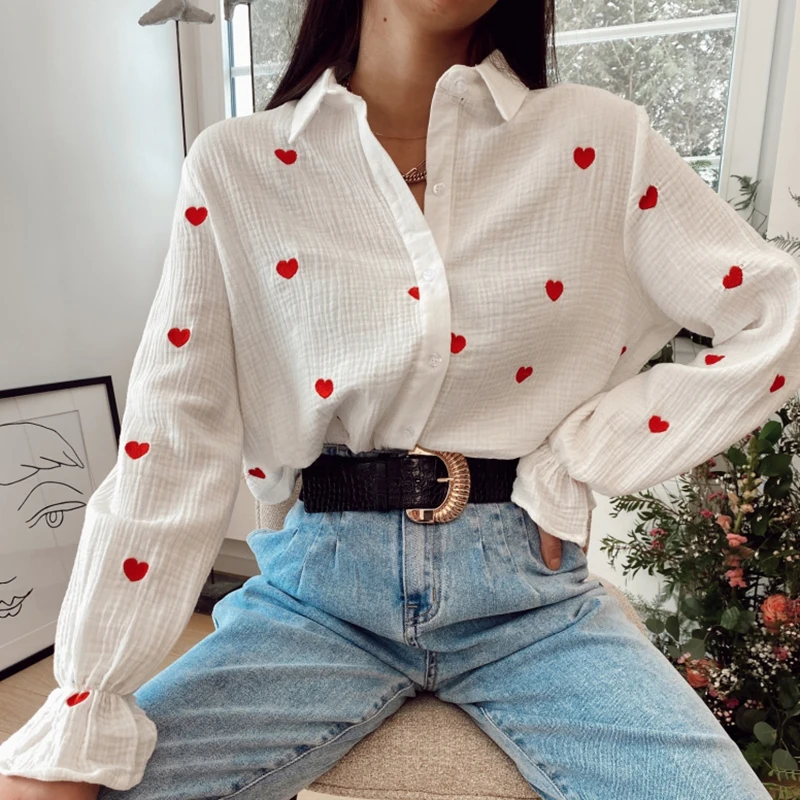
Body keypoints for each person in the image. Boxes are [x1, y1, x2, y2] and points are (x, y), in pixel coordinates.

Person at [1, 0, 798, 798]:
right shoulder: (236, 165)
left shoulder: (602, 141)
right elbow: (173, 435)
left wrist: (583, 455)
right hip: (316, 597)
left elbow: (779, 317)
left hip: (530, 600)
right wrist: (86, 700)